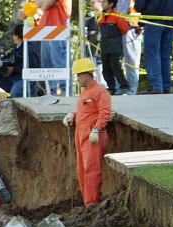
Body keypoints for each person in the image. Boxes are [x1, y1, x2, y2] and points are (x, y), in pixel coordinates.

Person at [62, 58, 111, 207]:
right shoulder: (84, 93)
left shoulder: (100, 92)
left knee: (91, 170)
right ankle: (87, 201)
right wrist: (73, 115)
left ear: (86, 74)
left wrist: (96, 130)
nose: (77, 79)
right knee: (82, 170)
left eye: (78, 75)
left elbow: (105, 113)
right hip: (81, 135)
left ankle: (92, 203)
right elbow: (85, 112)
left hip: (92, 136)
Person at [136, 0, 173, 93]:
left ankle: (156, 86)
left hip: (154, 18)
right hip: (171, 19)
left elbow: (139, 5)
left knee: (152, 54)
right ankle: (166, 86)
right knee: (165, 56)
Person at [0, 24, 41, 96]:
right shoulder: (17, 48)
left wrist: (14, 69)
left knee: (15, 93)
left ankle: (32, 90)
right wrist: (4, 66)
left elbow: (32, 67)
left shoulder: (29, 49)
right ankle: (22, 91)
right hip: (16, 76)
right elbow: (12, 61)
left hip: (25, 78)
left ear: (16, 37)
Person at [36, 0, 72, 95]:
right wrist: (44, 4)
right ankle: (51, 93)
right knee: (48, 65)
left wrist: (41, 8)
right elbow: (36, 3)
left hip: (59, 30)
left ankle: (66, 93)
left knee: (60, 63)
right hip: (45, 30)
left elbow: (49, 2)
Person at [97, 0, 131, 95]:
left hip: (114, 46)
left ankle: (124, 85)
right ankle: (111, 88)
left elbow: (124, 29)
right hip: (104, 46)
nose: (102, 4)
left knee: (115, 66)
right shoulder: (101, 16)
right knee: (106, 69)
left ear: (111, 4)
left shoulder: (117, 16)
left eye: (104, 2)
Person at [116, 0, 143, 94]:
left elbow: (142, 9)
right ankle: (118, 88)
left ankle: (131, 91)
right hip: (117, 29)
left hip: (132, 30)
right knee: (116, 61)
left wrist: (141, 27)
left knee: (132, 63)